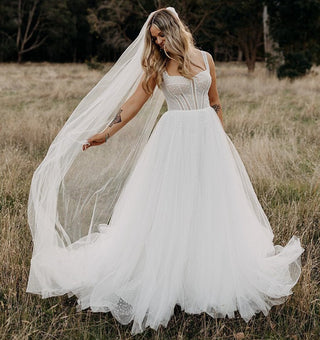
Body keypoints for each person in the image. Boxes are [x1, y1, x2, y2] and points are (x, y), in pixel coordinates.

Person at [27, 7, 304, 335]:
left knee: (211, 208)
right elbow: (134, 101)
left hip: (209, 142)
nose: (157, 43)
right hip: (174, 143)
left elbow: (214, 102)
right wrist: (106, 132)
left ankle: (205, 275)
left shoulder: (206, 59)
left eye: (160, 36)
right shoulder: (158, 65)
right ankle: (165, 276)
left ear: (175, 30)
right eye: (154, 39)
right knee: (170, 207)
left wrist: (222, 141)